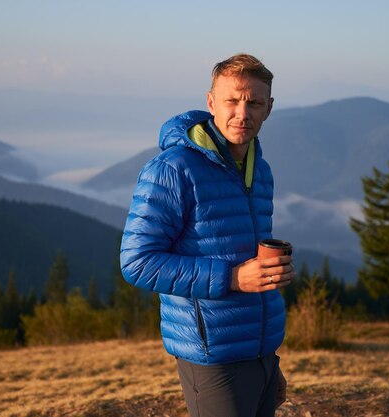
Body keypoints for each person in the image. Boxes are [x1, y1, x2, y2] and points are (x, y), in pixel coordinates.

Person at [120, 53, 296, 417]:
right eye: (232, 100)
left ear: (269, 108)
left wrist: (269, 361)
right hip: (212, 353)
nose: (242, 113)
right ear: (211, 102)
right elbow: (137, 262)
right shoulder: (173, 169)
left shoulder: (259, 170)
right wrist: (232, 277)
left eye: (255, 103)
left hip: (259, 351)